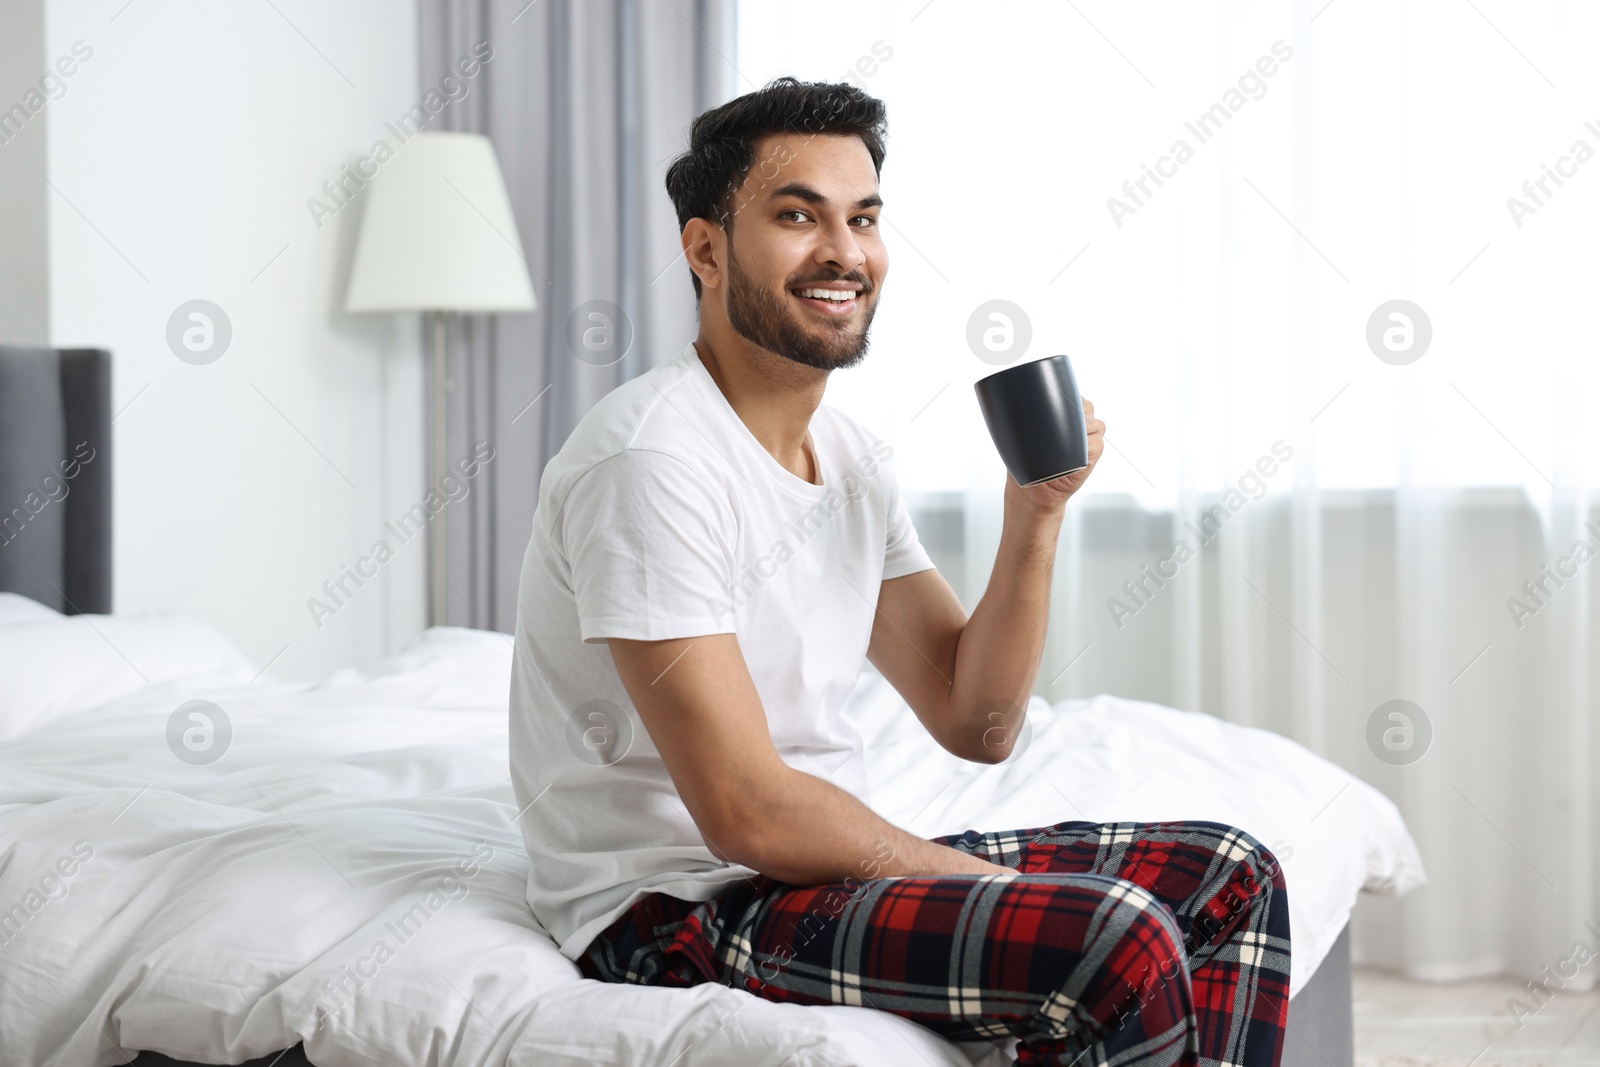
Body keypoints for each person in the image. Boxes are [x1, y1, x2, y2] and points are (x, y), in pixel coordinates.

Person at [508, 76, 1290, 1067]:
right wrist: (978, 885)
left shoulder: (851, 456)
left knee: (1230, 872)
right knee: (1119, 932)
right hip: (679, 906)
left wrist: (1035, 513)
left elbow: (978, 721)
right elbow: (744, 809)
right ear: (705, 248)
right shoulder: (651, 461)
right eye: (798, 216)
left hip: (814, 871)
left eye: (863, 218)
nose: (843, 250)